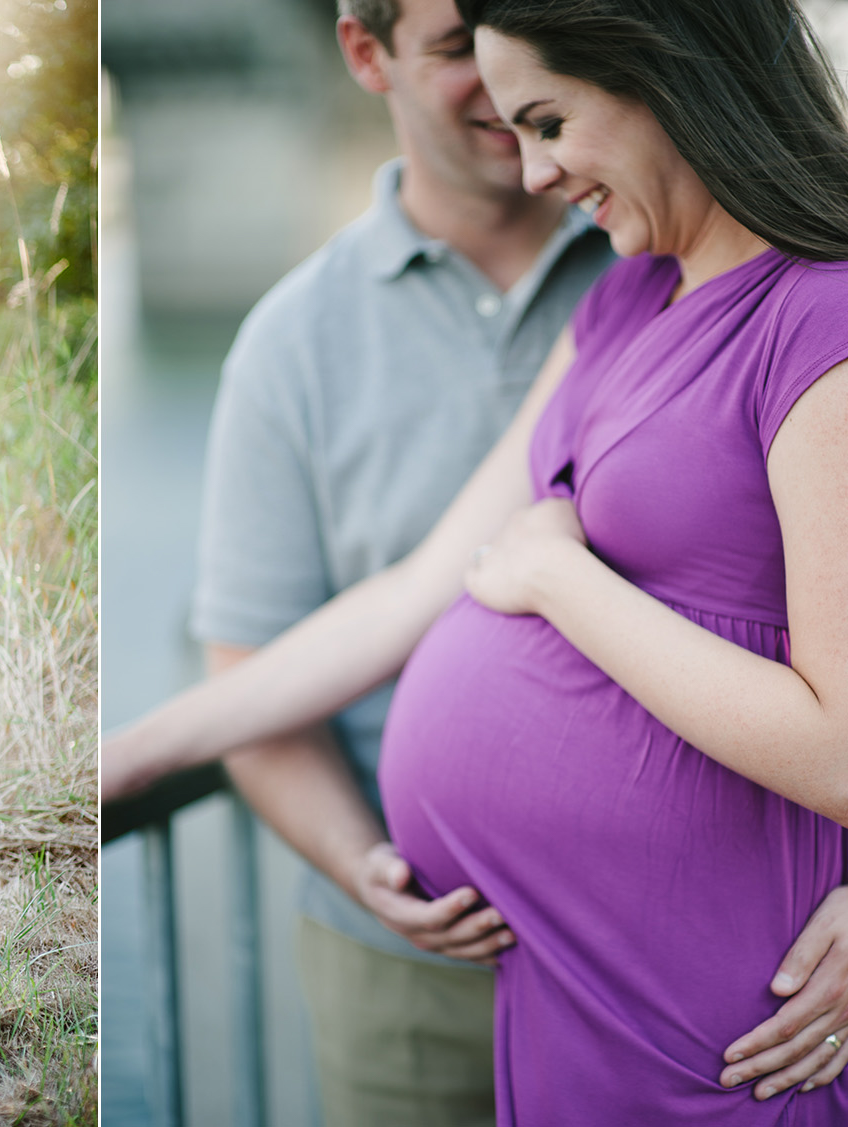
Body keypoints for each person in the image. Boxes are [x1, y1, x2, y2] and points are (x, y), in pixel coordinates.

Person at [105, 0, 848, 1118]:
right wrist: (123, 760)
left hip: (720, 999)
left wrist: (559, 578)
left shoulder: (812, 317)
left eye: (548, 119)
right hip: (539, 967)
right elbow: (416, 588)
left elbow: (838, 740)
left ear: (659, 72)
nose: (535, 168)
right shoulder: (627, 295)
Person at [192, 0, 610, 1119]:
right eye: (457, 44)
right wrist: (362, 861)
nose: (505, 73)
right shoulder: (291, 344)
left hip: (675, 951)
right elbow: (248, 672)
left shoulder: (666, 253)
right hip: (416, 979)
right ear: (364, 53)